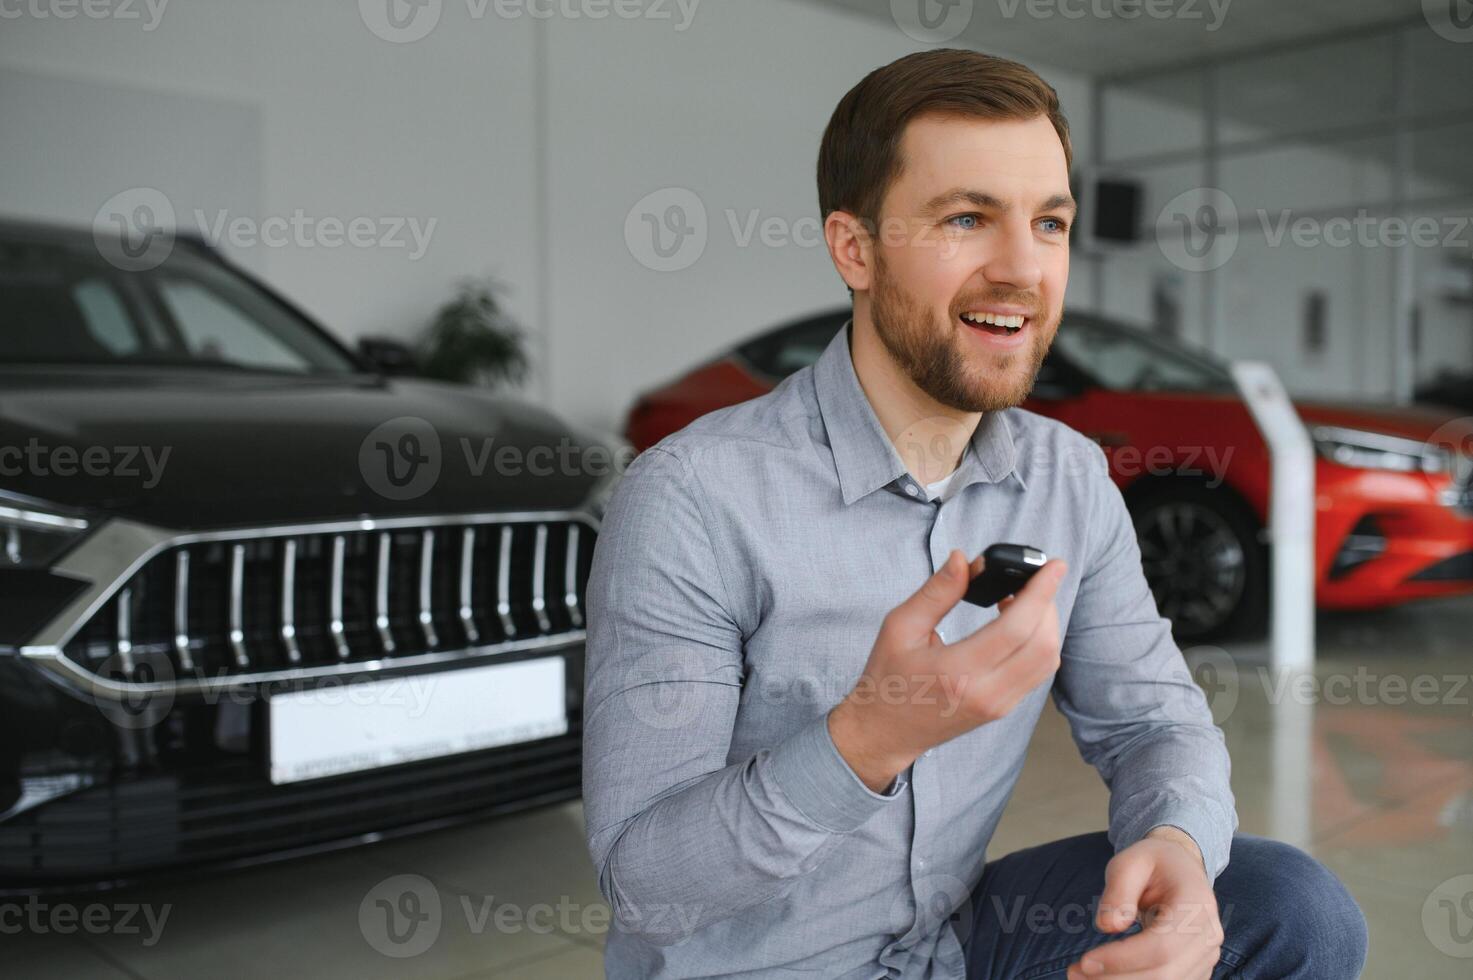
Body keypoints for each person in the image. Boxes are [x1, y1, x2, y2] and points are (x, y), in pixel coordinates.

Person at [582, 48, 1368, 979]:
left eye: (1048, 222)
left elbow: (1153, 720)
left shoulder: (1069, 477)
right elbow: (646, 886)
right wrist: (870, 738)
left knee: (1291, 912)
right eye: (966, 218)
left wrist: (1180, 846)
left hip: (952, 944)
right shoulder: (691, 499)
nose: (1022, 270)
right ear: (854, 247)